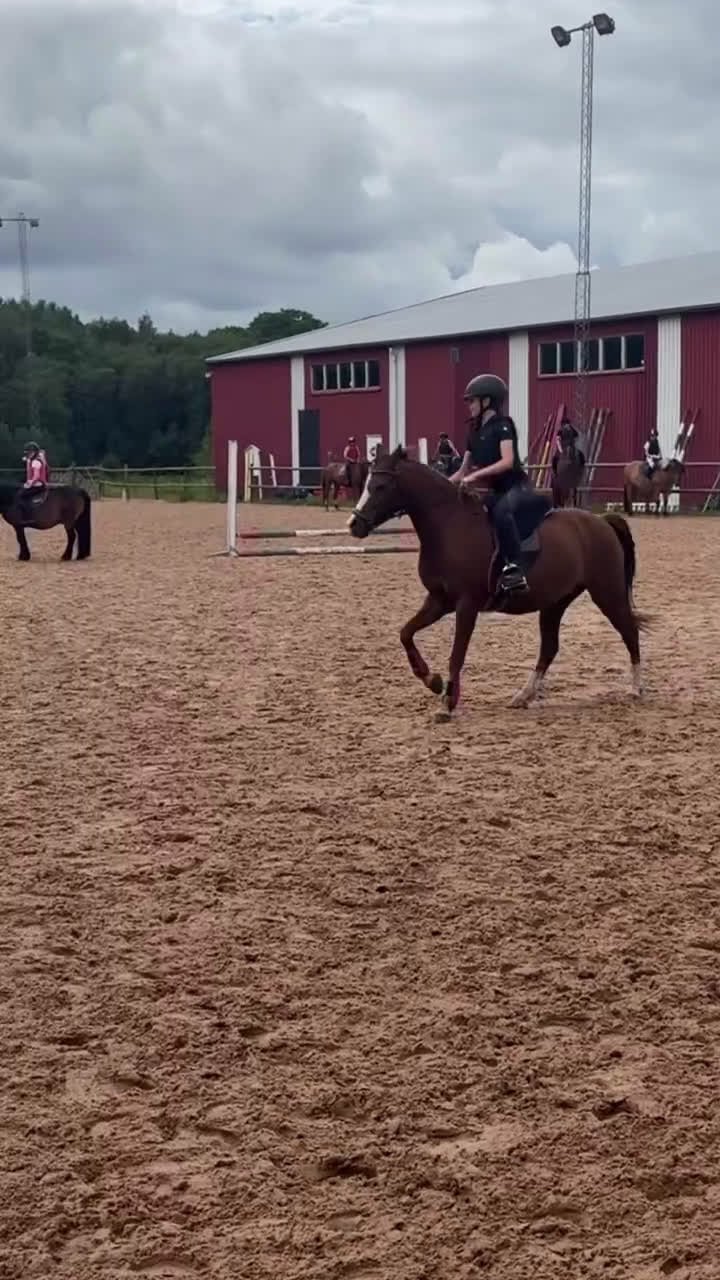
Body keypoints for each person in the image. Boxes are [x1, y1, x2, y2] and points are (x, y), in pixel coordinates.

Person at [451, 373, 531, 594]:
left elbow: (507, 461)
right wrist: (441, 485)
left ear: (487, 401)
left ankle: (515, 568)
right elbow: (462, 471)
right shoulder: (473, 432)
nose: (469, 406)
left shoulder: (503, 426)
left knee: (501, 514)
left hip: (515, 488)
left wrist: (475, 477)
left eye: (472, 401)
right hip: (494, 491)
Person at [19, 441, 49, 519]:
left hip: (38, 484)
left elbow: (36, 476)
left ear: (35, 452)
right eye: (28, 453)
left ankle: (28, 515)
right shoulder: (35, 459)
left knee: (21, 496)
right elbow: (27, 460)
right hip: (38, 483)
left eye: (30, 452)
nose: (28, 454)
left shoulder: (35, 462)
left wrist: (30, 483)